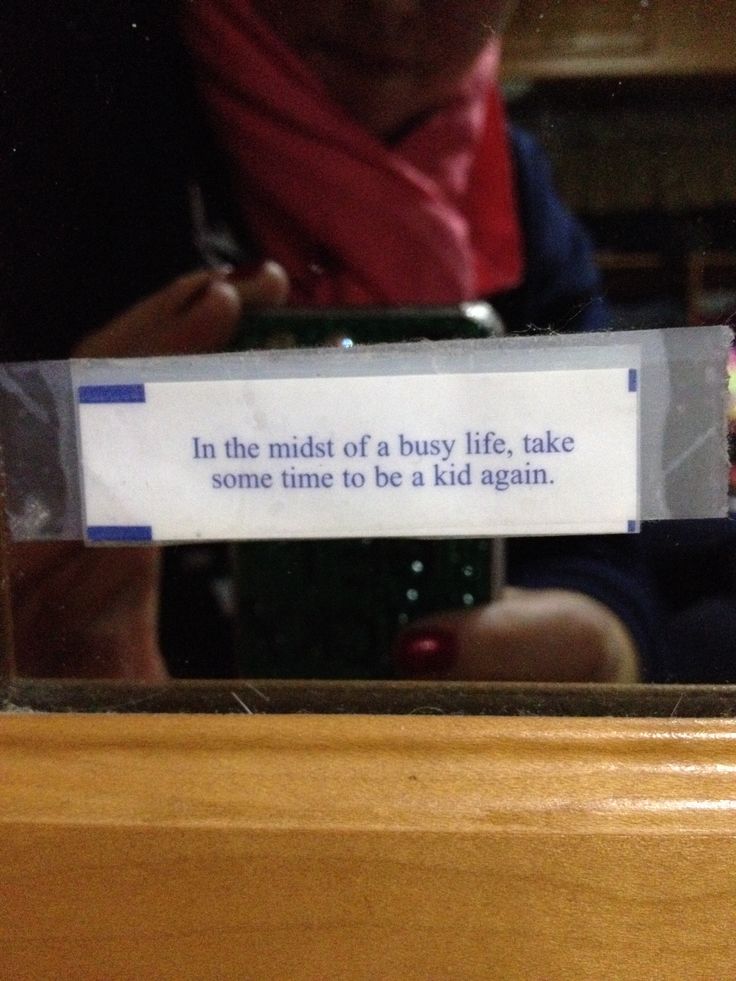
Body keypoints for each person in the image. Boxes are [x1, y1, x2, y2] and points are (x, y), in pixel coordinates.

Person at [1, 0, 657, 682]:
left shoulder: (512, 184)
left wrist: (604, 643)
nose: (390, 9)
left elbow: (604, 557)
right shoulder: (49, 102)